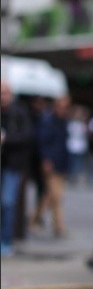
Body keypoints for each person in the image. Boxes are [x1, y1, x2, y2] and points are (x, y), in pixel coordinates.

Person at [0, 81, 35, 256]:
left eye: (4, 93)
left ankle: (6, 241)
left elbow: (27, 136)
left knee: (7, 203)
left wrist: (6, 139)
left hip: (12, 165)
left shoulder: (19, 112)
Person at [31, 94, 71, 238]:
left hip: (61, 163)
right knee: (57, 196)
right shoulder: (48, 121)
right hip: (52, 163)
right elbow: (43, 142)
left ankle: (33, 218)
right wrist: (46, 160)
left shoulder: (63, 121)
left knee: (49, 196)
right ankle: (59, 226)